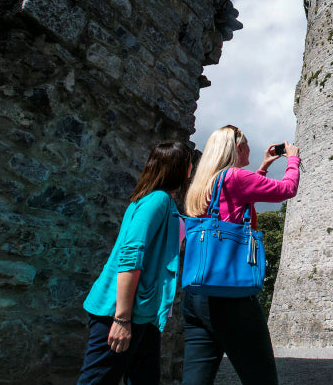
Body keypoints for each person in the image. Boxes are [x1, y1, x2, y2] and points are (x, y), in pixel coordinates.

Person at [182, 124, 300, 385]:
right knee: (261, 379)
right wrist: (293, 159)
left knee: (196, 379)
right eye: (245, 144)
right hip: (230, 295)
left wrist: (264, 167)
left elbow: (239, 200)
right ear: (237, 148)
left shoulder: (204, 183)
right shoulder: (235, 177)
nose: (249, 148)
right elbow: (286, 189)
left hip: (197, 295)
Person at [78, 141, 193, 385]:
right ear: (182, 168)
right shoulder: (157, 200)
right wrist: (122, 319)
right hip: (122, 311)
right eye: (189, 163)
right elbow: (131, 255)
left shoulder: (159, 201)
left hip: (145, 313)